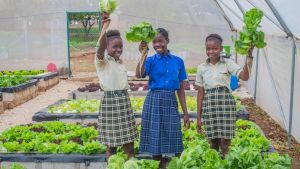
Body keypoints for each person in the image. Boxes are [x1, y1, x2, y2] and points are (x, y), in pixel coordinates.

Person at [136, 28, 190, 168]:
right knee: (155, 135)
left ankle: (177, 164)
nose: (157, 44)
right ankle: (158, 165)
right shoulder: (150, 60)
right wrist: (143, 54)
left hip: (170, 100)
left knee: (175, 135)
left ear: (167, 41)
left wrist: (185, 113)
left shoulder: (178, 61)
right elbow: (139, 74)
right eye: (154, 42)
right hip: (154, 100)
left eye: (160, 41)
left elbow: (180, 89)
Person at [195, 34, 252, 158]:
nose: (211, 51)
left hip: (226, 104)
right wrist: (198, 118)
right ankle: (215, 161)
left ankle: (225, 160)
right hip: (209, 105)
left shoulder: (228, 63)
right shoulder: (201, 68)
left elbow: (245, 77)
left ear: (221, 49)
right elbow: (200, 93)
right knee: (212, 140)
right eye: (208, 49)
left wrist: (249, 58)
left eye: (214, 48)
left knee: (225, 140)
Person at [95, 12, 138, 160]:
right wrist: (104, 28)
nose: (118, 49)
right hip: (110, 103)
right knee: (111, 145)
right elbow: (99, 48)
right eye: (115, 47)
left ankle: (129, 164)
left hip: (124, 102)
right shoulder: (102, 61)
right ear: (107, 47)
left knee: (129, 146)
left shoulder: (119, 63)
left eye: (120, 47)